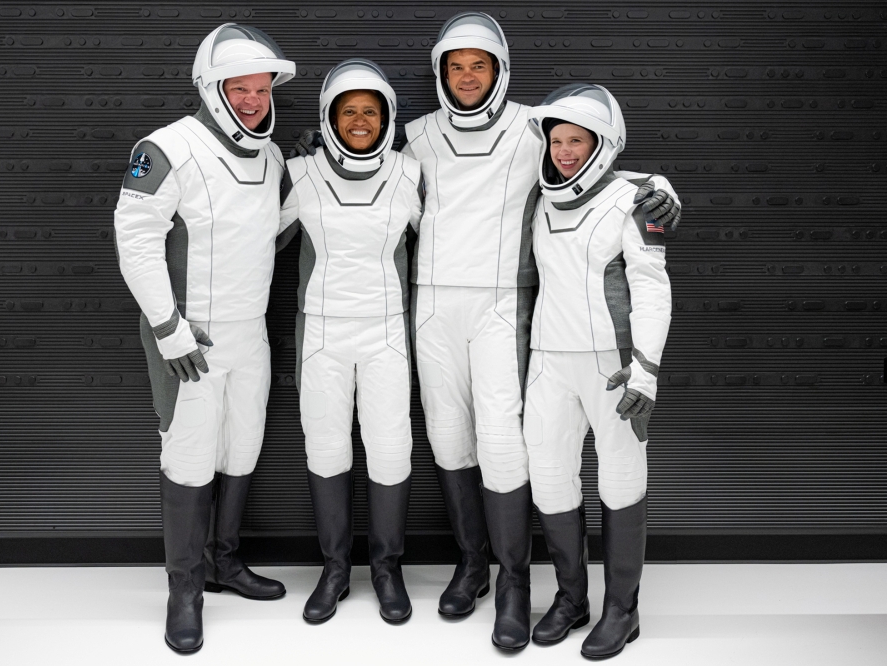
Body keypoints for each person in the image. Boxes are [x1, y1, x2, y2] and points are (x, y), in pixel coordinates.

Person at [292, 11, 680, 651]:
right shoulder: (415, 137)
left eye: (479, 65)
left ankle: (513, 585)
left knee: (502, 441)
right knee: (448, 437)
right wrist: (313, 145)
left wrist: (659, 188)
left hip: (501, 305)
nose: (467, 76)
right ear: (441, 73)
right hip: (430, 307)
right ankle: (473, 564)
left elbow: (599, 165)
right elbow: (358, 158)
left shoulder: (535, 129)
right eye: (456, 66)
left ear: (499, 70)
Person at [113, 24, 295, 654]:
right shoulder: (166, 148)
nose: (253, 101)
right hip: (188, 339)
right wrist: (169, 328)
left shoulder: (271, 158)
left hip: (251, 333)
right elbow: (135, 239)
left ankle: (222, 562)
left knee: (241, 448)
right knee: (189, 457)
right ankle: (184, 589)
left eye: (262, 90)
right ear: (211, 88)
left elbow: (271, 232)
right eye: (239, 88)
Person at [524, 84, 671, 659]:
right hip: (548, 362)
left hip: (614, 367)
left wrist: (646, 372)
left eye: (576, 141)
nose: (564, 152)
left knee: (621, 480)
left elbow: (652, 291)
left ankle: (622, 610)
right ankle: (571, 599)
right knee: (550, 477)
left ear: (603, 144)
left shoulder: (634, 199)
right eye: (556, 141)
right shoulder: (540, 200)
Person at [277, 59, 423, 625]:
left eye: (370, 111)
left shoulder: (411, 174)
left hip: (386, 333)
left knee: (390, 449)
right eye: (348, 111)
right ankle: (335, 569)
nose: (359, 120)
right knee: (326, 447)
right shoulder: (300, 173)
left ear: (386, 118)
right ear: (329, 118)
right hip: (322, 334)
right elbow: (250, 236)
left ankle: (386, 569)